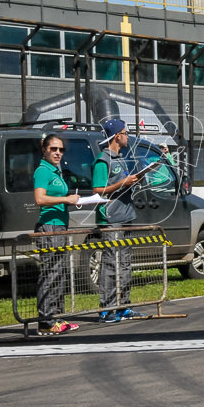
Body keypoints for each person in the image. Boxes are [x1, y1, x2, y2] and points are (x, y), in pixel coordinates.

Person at [91, 118, 145, 323]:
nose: (127, 135)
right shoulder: (102, 161)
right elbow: (98, 190)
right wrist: (123, 182)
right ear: (117, 136)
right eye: (125, 132)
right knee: (111, 263)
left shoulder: (121, 159)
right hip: (111, 218)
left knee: (125, 263)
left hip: (126, 215)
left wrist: (133, 180)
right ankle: (107, 308)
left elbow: (121, 184)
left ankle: (124, 305)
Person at [33, 133, 81, 336]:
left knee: (59, 273)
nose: (58, 153)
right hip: (49, 226)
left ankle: (55, 316)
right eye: (53, 149)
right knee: (50, 274)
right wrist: (66, 199)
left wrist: (71, 200)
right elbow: (40, 199)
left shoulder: (56, 171)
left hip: (60, 225)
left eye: (61, 149)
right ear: (44, 149)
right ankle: (45, 320)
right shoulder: (43, 171)